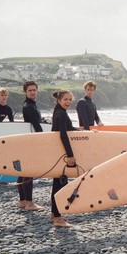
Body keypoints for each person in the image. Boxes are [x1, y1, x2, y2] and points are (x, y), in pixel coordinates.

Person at [50, 90, 77, 228]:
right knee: (60, 184)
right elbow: (63, 135)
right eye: (66, 99)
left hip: (58, 152)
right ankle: (58, 218)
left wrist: (86, 132)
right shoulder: (61, 113)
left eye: (70, 99)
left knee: (57, 182)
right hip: (62, 153)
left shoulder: (58, 111)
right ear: (59, 100)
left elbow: (69, 129)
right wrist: (70, 154)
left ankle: (54, 214)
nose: (68, 102)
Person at [19, 81, 45, 211]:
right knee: (28, 171)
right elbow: (36, 125)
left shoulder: (30, 105)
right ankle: (29, 203)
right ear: (25, 92)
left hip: (28, 140)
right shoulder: (29, 106)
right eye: (30, 90)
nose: (33, 92)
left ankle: (22, 201)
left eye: (34, 90)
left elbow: (36, 121)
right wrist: (43, 139)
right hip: (32, 141)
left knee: (23, 171)